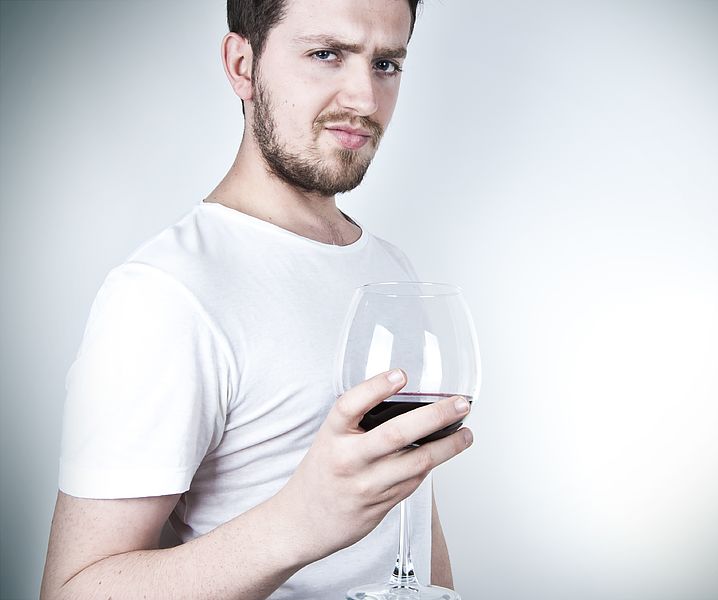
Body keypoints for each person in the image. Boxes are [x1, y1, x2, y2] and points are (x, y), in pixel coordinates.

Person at [39, 0, 474, 598]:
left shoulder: (390, 270)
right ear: (242, 64)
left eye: (386, 64)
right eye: (326, 55)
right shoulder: (165, 293)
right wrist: (300, 520)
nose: (365, 99)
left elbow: (414, 514)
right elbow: (72, 590)